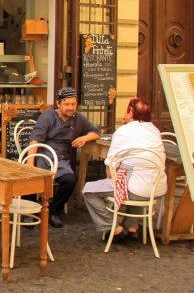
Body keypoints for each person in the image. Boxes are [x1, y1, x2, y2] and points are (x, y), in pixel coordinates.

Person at [82, 97, 167, 243]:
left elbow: (110, 164)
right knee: (136, 177)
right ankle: (133, 227)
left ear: (131, 112)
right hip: (157, 189)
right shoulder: (155, 130)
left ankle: (114, 228)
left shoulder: (123, 131)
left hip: (135, 189)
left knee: (89, 190)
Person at [29, 87, 100, 228]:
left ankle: (52, 210)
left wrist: (85, 138)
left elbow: (96, 132)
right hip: (43, 155)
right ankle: (28, 212)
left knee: (70, 180)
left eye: (73, 104)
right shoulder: (47, 117)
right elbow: (35, 140)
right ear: (58, 103)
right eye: (67, 104)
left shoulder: (78, 118)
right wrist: (30, 165)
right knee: (31, 180)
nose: (70, 107)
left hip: (61, 159)